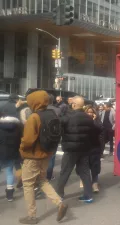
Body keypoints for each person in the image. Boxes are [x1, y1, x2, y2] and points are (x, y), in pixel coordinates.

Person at [19, 90, 67, 224]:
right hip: (47, 154)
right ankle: (60, 203)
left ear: (34, 102)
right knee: (42, 181)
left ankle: (31, 216)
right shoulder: (52, 114)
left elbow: (28, 140)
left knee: (27, 184)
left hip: (33, 156)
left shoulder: (34, 117)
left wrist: (21, 149)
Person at [57, 96, 100, 203]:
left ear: (75, 104)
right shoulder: (88, 118)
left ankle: (59, 195)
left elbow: (59, 128)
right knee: (85, 172)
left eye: (72, 103)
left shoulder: (68, 116)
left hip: (71, 149)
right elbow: (93, 133)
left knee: (65, 172)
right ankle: (88, 195)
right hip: (84, 149)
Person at [0, 112, 22, 202]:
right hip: (13, 153)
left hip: (1, 154)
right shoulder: (17, 128)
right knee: (9, 172)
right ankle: (10, 195)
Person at [83, 106, 104, 193]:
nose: (90, 114)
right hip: (86, 148)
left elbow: (101, 132)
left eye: (92, 112)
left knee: (95, 167)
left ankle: (95, 183)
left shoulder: (98, 122)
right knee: (85, 167)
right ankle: (86, 183)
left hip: (95, 147)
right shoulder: (83, 122)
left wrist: (94, 121)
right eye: (88, 112)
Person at [15, 97, 32, 189]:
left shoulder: (17, 113)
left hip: (18, 140)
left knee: (18, 162)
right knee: (26, 161)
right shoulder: (30, 112)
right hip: (28, 140)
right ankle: (28, 179)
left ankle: (20, 179)